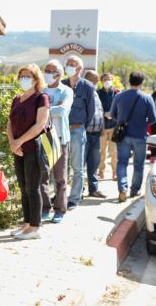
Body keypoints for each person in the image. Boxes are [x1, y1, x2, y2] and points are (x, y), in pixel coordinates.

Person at [8, 64, 50, 239]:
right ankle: (26, 224)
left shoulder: (42, 98)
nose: (24, 79)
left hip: (33, 149)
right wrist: (12, 143)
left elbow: (40, 125)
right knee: (23, 188)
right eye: (22, 76)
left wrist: (19, 141)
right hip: (18, 150)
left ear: (36, 79)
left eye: (28, 76)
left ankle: (35, 227)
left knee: (32, 188)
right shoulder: (17, 99)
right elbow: (9, 123)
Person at [110, 71, 156, 202]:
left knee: (122, 162)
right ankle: (135, 190)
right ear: (142, 83)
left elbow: (113, 114)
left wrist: (122, 121)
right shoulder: (147, 98)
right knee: (138, 164)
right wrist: (143, 122)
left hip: (123, 135)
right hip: (140, 135)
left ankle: (122, 188)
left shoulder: (119, 96)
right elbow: (153, 118)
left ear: (129, 81)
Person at [40, 60, 73, 223]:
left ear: (58, 74)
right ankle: (45, 208)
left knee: (60, 176)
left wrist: (43, 110)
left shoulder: (66, 91)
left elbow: (63, 110)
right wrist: (51, 110)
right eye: (45, 70)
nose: (46, 73)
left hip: (59, 138)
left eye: (50, 70)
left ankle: (60, 209)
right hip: (43, 137)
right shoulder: (41, 90)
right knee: (42, 175)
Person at [61, 55, 95, 210]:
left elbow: (91, 111)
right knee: (61, 166)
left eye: (72, 64)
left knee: (77, 167)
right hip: (62, 131)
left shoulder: (87, 86)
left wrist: (81, 127)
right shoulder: (62, 84)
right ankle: (60, 196)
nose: (68, 66)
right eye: (67, 63)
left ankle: (74, 198)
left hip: (77, 130)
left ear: (79, 68)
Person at [83, 70, 106, 198]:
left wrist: (101, 131)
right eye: (95, 80)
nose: (97, 83)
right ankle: (79, 191)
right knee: (81, 164)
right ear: (88, 80)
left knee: (94, 163)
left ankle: (93, 189)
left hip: (96, 135)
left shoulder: (95, 94)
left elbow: (99, 112)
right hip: (85, 134)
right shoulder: (83, 93)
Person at [97, 73, 120, 180]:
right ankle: (101, 171)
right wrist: (104, 114)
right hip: (102, 127)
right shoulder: (97, 93)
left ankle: (115, 172)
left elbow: (121, 108)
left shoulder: (117, 93)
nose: (107, 81)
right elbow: (95, 109)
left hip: (114, 126)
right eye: (105, 79)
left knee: (114, 151)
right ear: (101, 81)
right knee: (102, 151)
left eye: (110, 79)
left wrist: (113, 114)